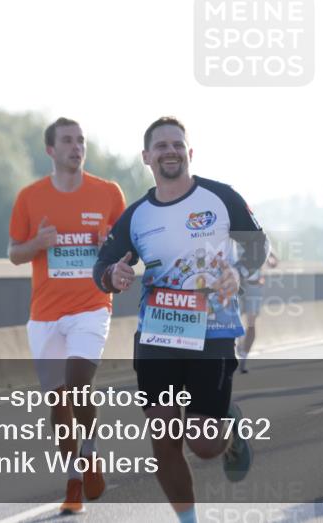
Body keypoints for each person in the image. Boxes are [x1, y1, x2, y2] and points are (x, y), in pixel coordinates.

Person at [93, 117, 269, 523]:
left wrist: (238, 272)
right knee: (164, 438)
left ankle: (229, 423)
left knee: (204, 445)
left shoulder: (221, 197)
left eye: (177, 145)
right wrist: (113, 275)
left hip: (213, 331)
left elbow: (258, 246)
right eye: (161, 146)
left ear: (189, 152)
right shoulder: (136, 216)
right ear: (146, 157)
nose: (169, 152)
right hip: (158, 332)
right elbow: (102, 265)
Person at [7, 117, 126, 514]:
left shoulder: (108, 193)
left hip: (91, 306)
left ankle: (89, 455)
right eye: (68, 141)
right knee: (58, 401)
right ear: (50, 150)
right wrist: (37, 243)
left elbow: (127, 250)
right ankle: (74, 480)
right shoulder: (30, 197)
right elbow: (13, 253)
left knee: (78, 383)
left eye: (81, 140)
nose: (77, 147)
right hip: (44, 314)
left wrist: (109, 244)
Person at [237, 251, 278, 373]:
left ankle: (244, 357)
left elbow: (273, 259)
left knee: (251, 323)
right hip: (235, 284)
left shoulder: (260, 241)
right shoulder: (232, 240)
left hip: (253, 286)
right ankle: (239, 343)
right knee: (233, 319)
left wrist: (270, 260)